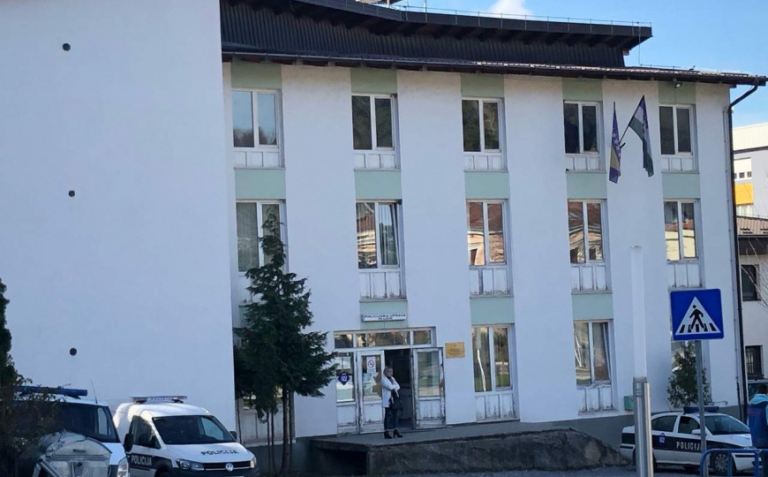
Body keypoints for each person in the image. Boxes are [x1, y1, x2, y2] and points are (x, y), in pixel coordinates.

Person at [748, 383, 768, 477]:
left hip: (756, 440)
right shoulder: (766, 405)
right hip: (766, 438)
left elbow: (748, 423)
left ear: (757, 391)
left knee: (765, 466)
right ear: (766, 392)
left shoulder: (751, 405)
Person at [381, 366, 402, 439]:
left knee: (395, 415)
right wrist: (394, 386)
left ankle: (395, 430)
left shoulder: (392, 379)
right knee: (388, 416)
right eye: (389, 371)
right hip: (388, 400)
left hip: (395, 399)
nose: (390, 373)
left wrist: (394, 386)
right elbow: (389, 387)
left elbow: (398, 386)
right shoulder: (383, 380)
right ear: (385, 372)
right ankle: (386, 432)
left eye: (391, 372)